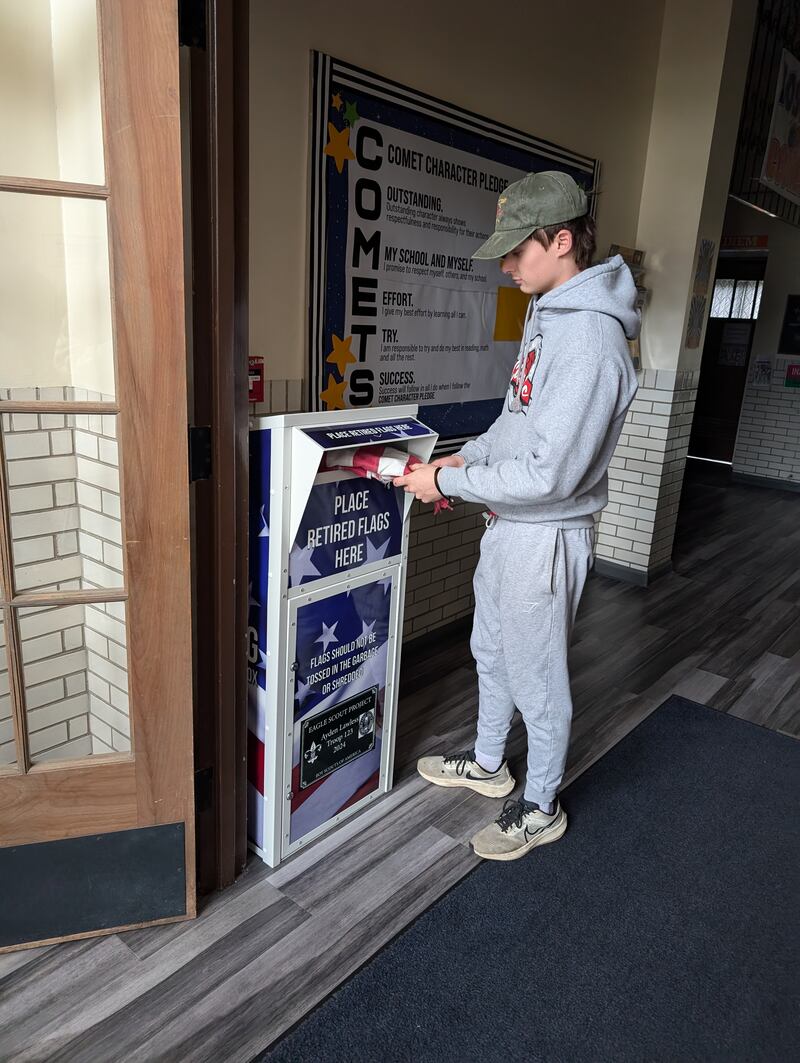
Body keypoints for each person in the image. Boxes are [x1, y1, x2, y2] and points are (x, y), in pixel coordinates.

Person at [393, 171, 640, 862]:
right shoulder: (547, 311)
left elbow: (549, 474)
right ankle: (489, 763)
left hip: (546, 534)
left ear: (562, 241)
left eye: (516, 251)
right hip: (509, 524)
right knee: (491, 650)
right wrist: (454, 466)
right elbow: (515, 420)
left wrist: (453, 477)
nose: (505, 265)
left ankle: (540, 805)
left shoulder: (591, 342)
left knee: (538, 675)